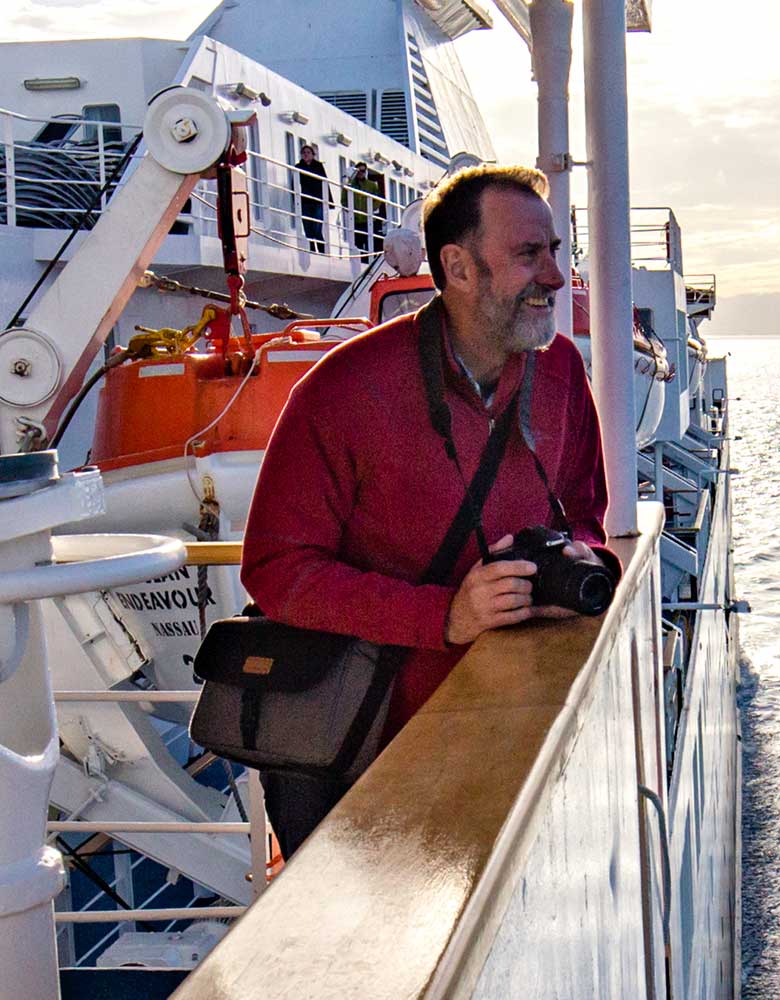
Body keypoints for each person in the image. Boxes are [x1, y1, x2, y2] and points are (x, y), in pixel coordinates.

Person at [240, 165, 613, 850]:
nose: (557, 277)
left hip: (509, 733)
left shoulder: (560, 371)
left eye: (555, 251)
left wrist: (580, 563)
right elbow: (275, 570)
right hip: (363, 751)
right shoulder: (345, 389)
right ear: (458, 267)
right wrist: (445, 616)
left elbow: (586, 510)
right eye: (529, 255)